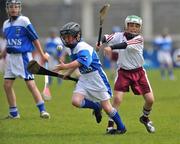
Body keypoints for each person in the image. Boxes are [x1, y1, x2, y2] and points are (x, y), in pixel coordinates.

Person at [53, 22, 126, 134]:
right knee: (76, 101)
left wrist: (65, 67)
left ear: (77, 36)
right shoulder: (71, 48)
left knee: (107, 108)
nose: (66, 40)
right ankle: (96, 106)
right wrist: (68, 73)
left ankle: (121, 127)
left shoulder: (82, 47)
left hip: (97, 78)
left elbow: (83, 61)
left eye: (69, 37)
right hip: (85, 78)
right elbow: (77, 63)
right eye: (65, 37)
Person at [96, 15, 155, 133]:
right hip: (123, 72)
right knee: (117, 99)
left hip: (139, 72)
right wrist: (100, 42)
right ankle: (110, 125)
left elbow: (125, 45)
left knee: (150, 100)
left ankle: (144, 117)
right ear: (126, 25)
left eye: (136, 26)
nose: (133, 28)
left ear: (140, 28)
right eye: (131, 25)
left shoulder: (139, 39)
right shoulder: (118, 35)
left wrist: (111, 48)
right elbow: (106, 37)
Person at [1, 0, 50, 119]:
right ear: (7, 9)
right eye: (11, 7)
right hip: (11, 58)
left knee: (30, 84)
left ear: (19, 8)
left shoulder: (24, 21)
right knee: (7, 85)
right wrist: (2, 54)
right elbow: (9, 42)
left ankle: (42, 111)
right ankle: (14, 113)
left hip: (23, 57)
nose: (13, 9)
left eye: (16, 7)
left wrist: (42, 54)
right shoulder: (6, 24)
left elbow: (34, 38)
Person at [42, 28, 64, 100]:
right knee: (50, 69)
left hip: (56, 57)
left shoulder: (58, 40)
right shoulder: (48, 40)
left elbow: (60, 49)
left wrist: (60, 56)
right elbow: (45, 49)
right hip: (50, 57)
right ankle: (50, 82)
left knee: (57, 69)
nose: (52, 34)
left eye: (53, 33)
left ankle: (59, 82)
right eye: (51, 33)